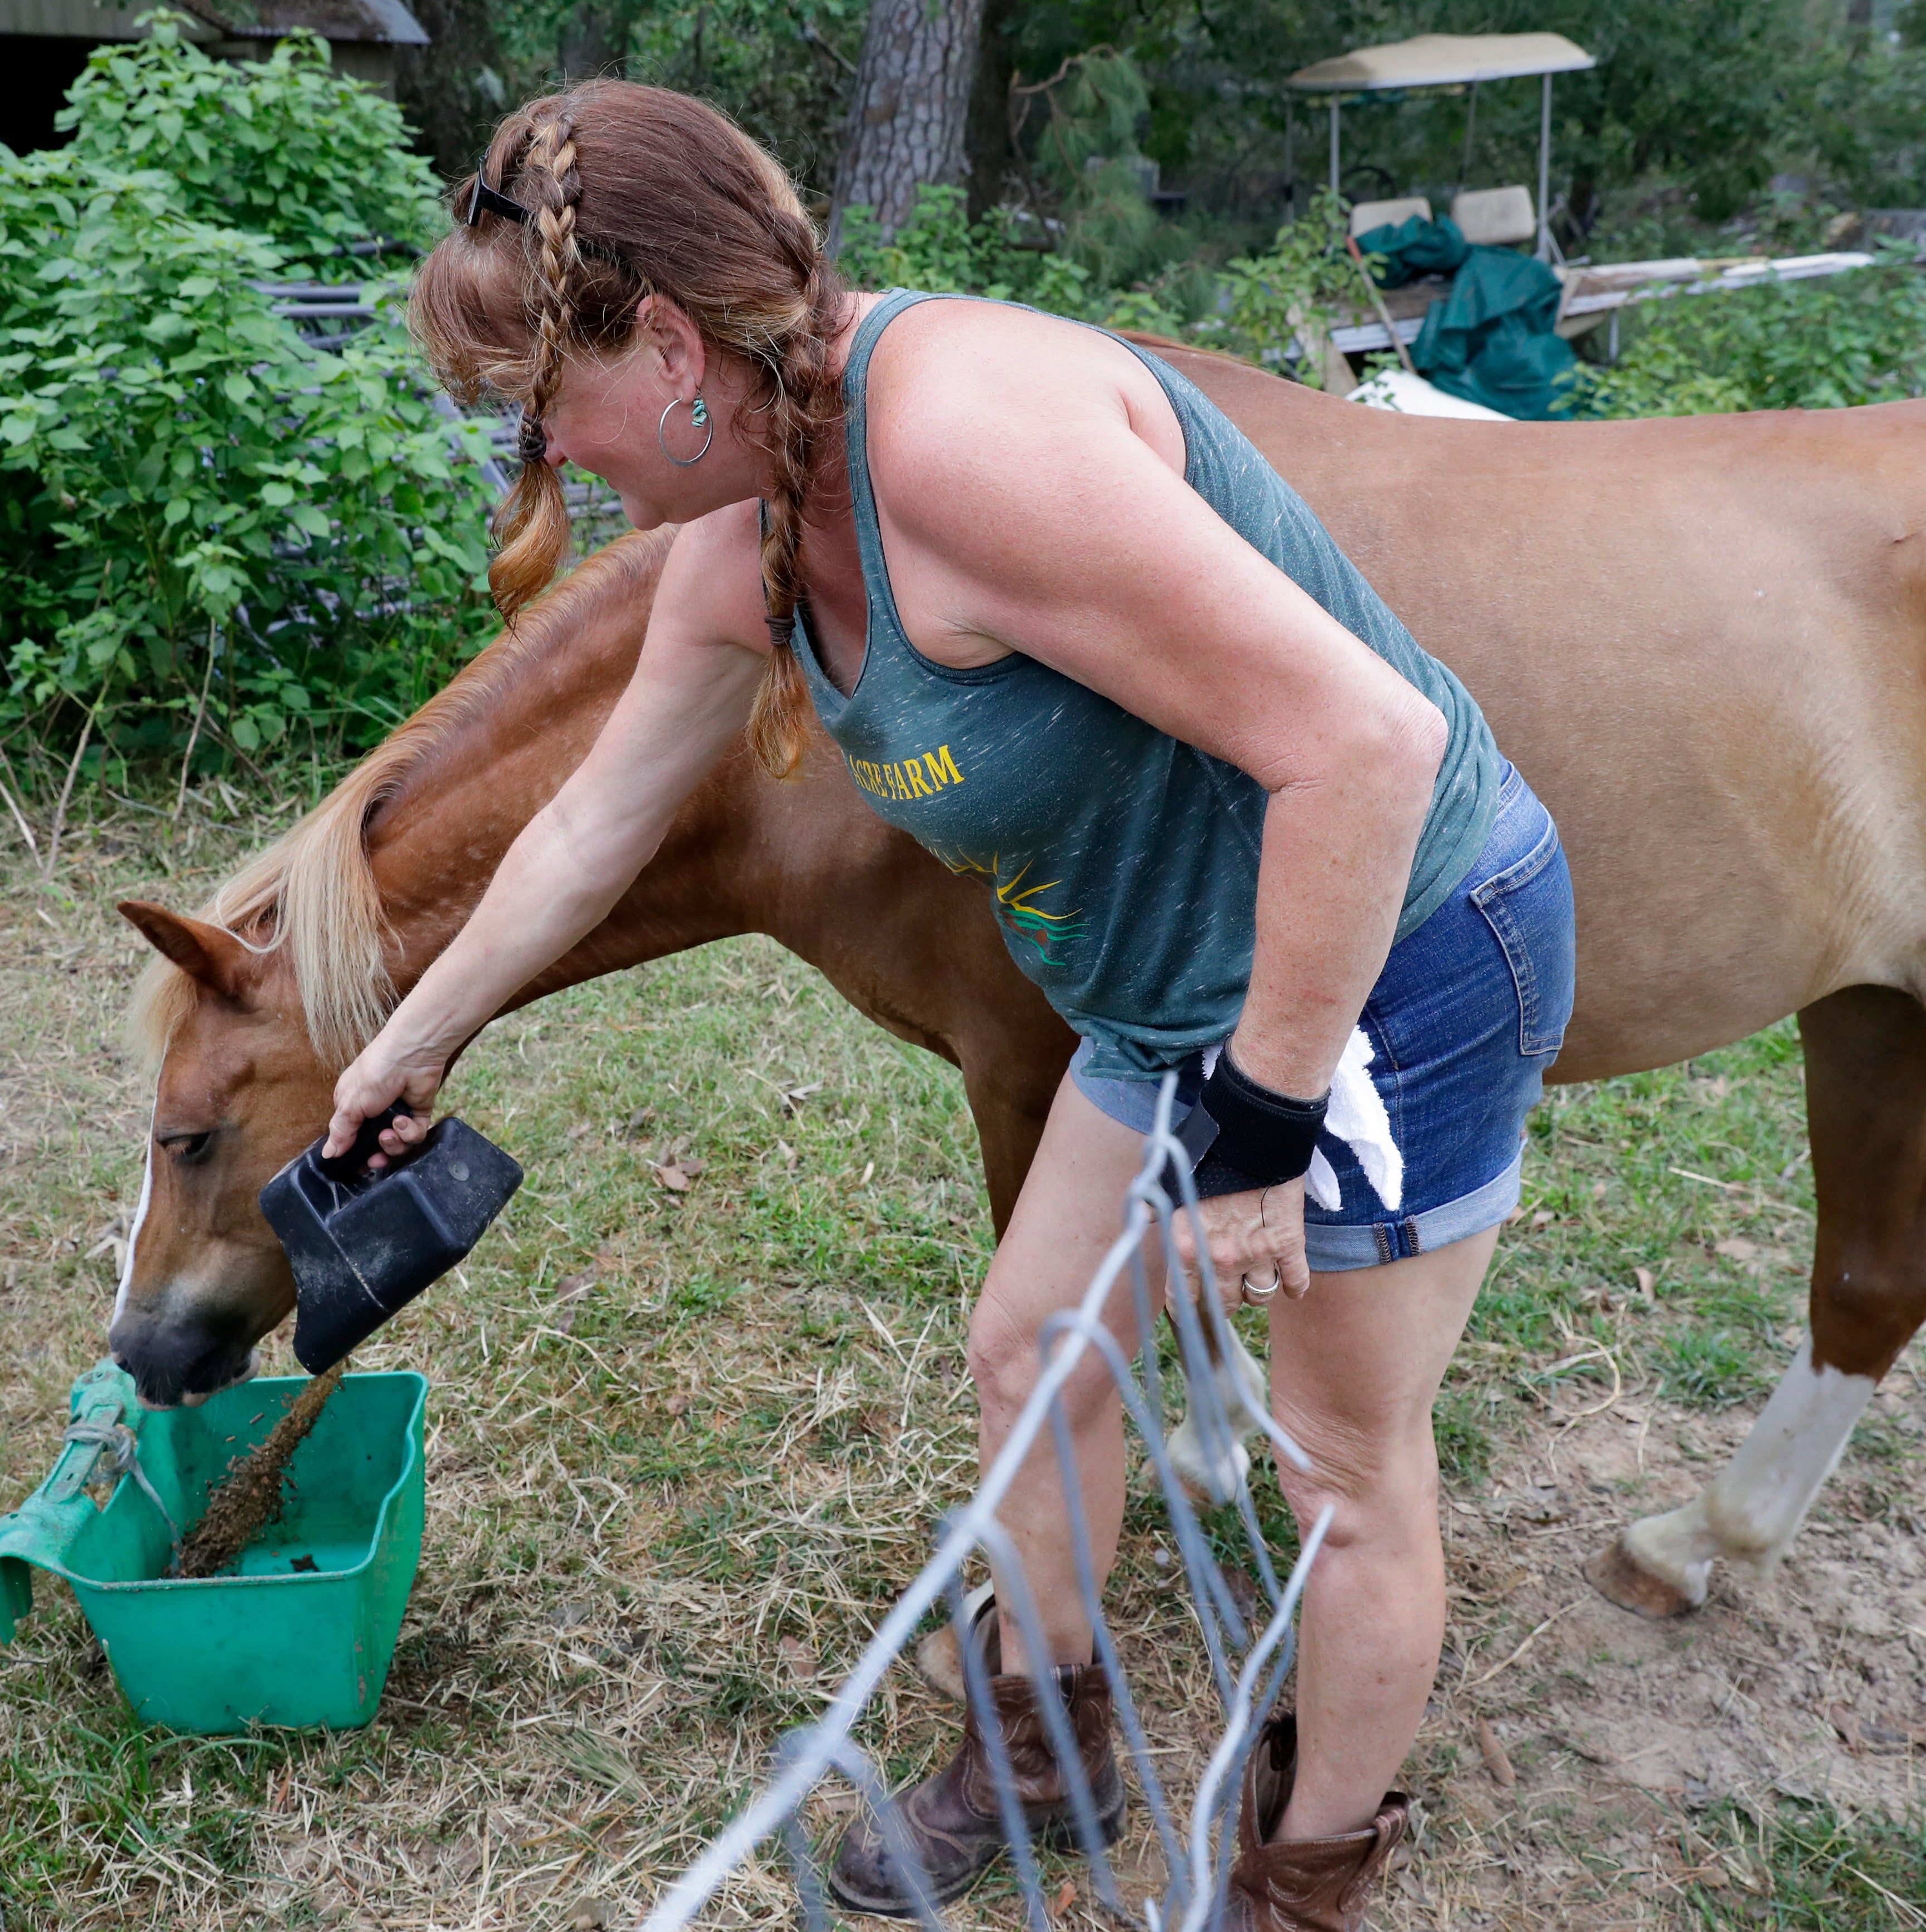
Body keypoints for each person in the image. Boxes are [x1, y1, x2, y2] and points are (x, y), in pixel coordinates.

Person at [326, 80, 1575, 1931]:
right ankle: (1057, 1739)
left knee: (1340, 1471)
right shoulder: (747, 522)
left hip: (1380, 953)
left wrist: (1265, 1116)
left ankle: (1307, 1876)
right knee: (1031, 1348)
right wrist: (420, 1030)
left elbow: (1368, 748)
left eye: (546, 410)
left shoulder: (964, 449)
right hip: (1173, 989)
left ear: (668, 346)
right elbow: (602, 813)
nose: (546, 459)